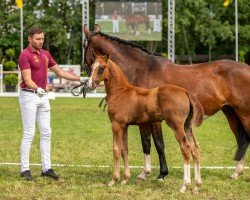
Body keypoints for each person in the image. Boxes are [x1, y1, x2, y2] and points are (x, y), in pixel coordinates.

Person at [18, 26, 89, 181]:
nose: (41, 41)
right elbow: (27, 79)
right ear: (30, 39)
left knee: (46, 132)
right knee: (29, 133)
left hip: (42, 96)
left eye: (42, 38)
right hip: (29, 96)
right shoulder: (25, 55)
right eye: (38, 39)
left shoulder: (45, 54)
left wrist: (81, 79)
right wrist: (38, 89)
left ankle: (46, 168)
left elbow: (61, 72)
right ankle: (24, 169)